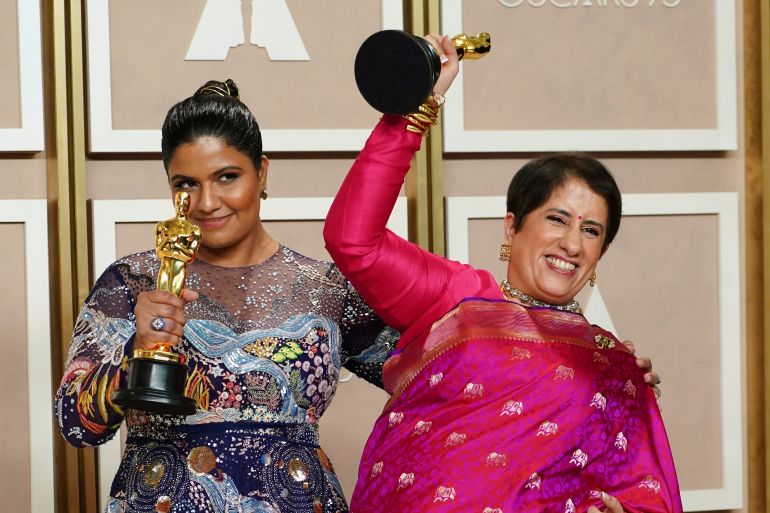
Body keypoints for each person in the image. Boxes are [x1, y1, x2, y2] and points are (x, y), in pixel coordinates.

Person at [324, 36, 681, 513]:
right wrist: (414, 110)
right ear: (512, 225)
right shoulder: (456, 298)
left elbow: (647, 494)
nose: (572, 244)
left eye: (591, 230)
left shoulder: (614, 370)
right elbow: (352, 239)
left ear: (603, 249)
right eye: (556, 219)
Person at [54, 79, 399, 513]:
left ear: (262, 173)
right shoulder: (135, 280)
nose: (207, 202)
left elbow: (432, 377)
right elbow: (76, 426)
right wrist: (134, 353)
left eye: (227, 177)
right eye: (186, 184)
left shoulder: (325, 287)